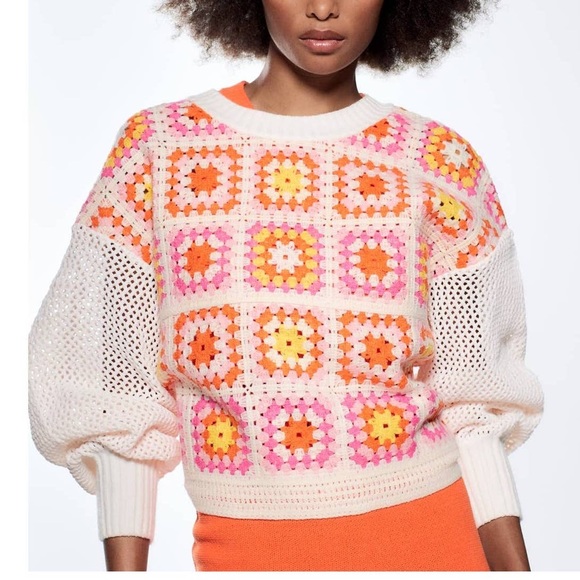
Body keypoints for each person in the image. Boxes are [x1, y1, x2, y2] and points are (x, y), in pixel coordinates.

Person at [28, 0, 544, 572]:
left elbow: (475, 407)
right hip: (242, 550)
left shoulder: (439, 159)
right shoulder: (160, 147)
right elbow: (115, 391)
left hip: (434, 538)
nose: (323, 8)